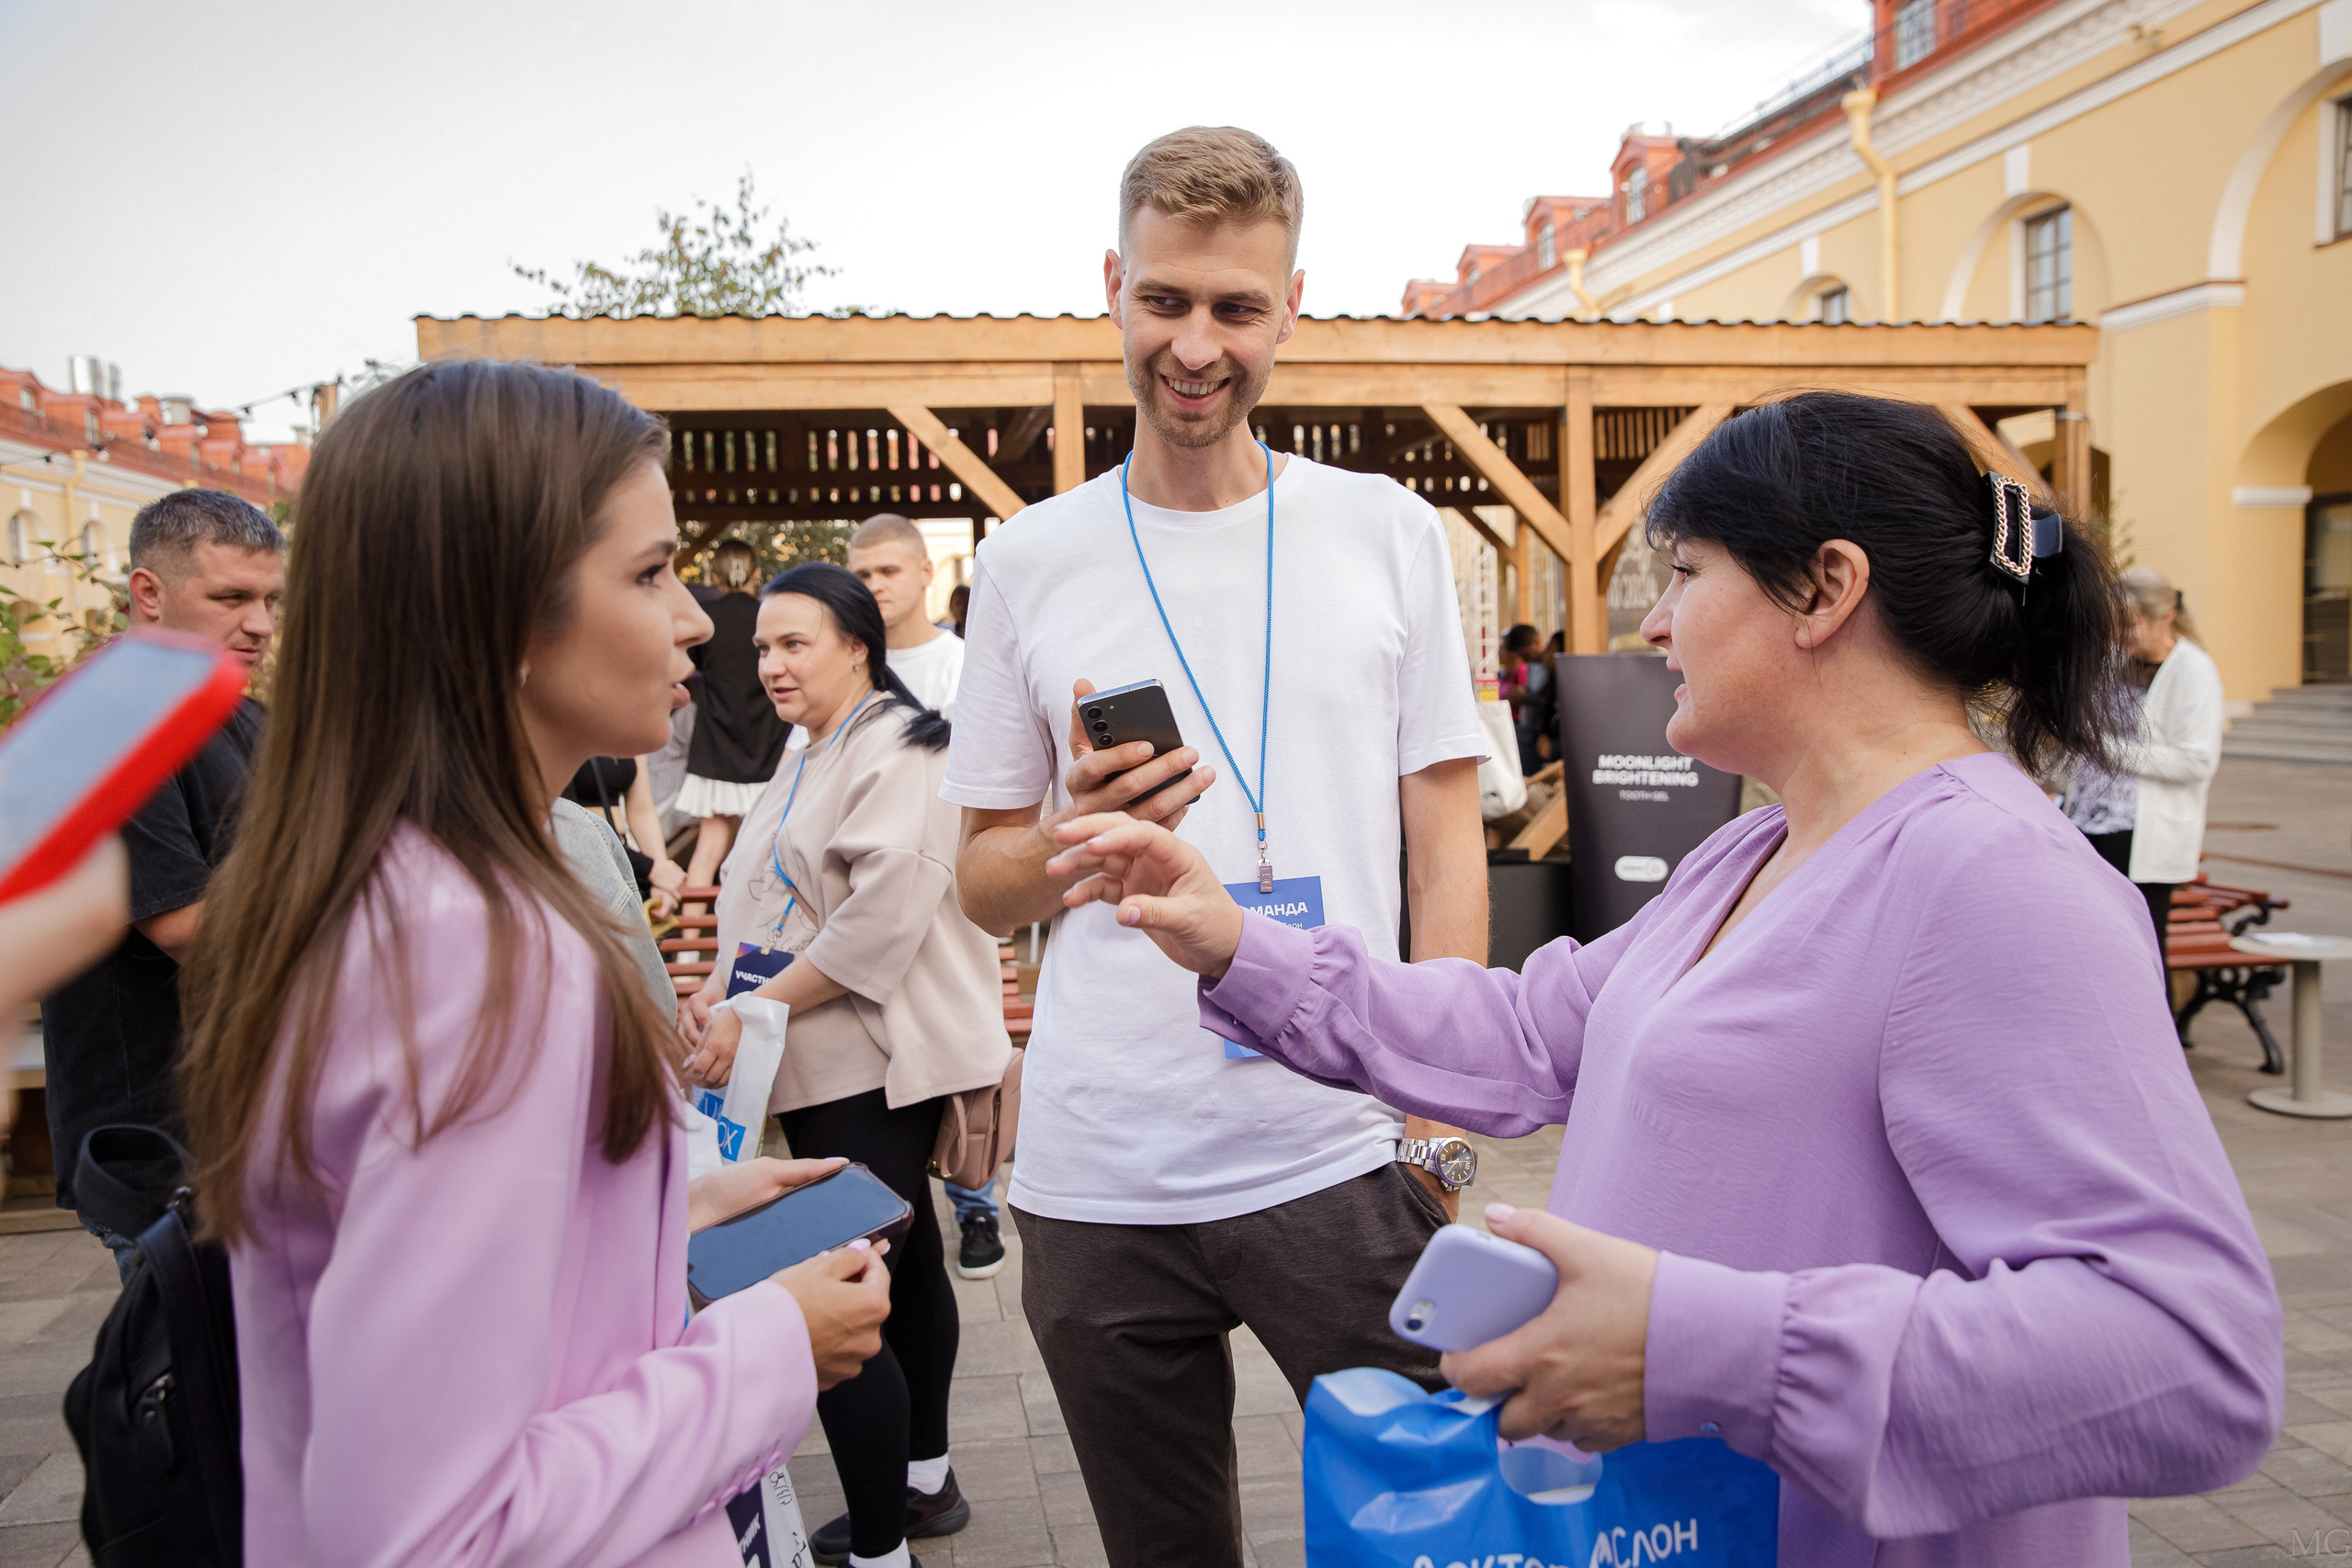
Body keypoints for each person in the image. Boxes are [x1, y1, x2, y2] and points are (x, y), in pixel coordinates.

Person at [1043, 392, 2283, 1568]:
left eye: (1685, 572)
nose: (1650, 621)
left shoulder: (1995, 878)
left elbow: (2188, 1350)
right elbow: (1532, 1029)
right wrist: (1233, 941)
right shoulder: (1756, 844)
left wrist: (1707, 1346)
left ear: (1825, 589)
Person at [177, 360, 894, 1566]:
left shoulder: (404, 893)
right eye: (650, 571)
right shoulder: (477, 952)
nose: (696, 620)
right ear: (499, 609)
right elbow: (431, 1528)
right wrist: (773, 1343)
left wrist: (656, 1206)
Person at [944, 126, 1490, 1568]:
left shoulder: (1385, 532)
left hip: (1340, 1145)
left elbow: (1443, 835)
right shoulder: (1030, 557)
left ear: (1290, 306)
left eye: (1236, 309)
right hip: (1101, 1174)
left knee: (1435, 1535)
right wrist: (1069, 825)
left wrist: (1442, 1110)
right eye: (1168, 301)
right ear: (1113, 286)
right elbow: (981, 876)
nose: (1197, 345)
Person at [680, 562, 1011, 1568]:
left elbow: (882, 916)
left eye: (795, 643)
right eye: (763, 648)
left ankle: (879, 1547)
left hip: (873, 1066)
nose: (772, 664)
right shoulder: (807, 751)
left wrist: (752, 1007)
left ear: (857, 646)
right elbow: (770, 897)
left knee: (836, 1292)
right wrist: (724, 995)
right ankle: (921, 1483)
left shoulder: (901, 746)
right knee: (894, 1283)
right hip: (815, 1062)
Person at [41, 488, 282, 1277]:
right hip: (159, 1142)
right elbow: (188, 929)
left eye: (271, 599)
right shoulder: (116, 717)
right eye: (231, 598)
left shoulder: (239, 716)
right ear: (149, 592)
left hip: (243, 1127)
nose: (261, 624)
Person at [842, 513, 1002, 1275]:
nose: (874, 587)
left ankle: (978, 1206)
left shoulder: (962, 663)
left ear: (921, 574)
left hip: (949, 895)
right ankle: (897, 1217)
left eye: (888, 572)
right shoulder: (846, 667)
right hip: (872, 893)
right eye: (862, 574)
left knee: (958, 1052)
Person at [2109, 567, 2225, 947]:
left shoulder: (2194, 671)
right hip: (2089, 827)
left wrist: (2107, 750)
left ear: (2166, 617)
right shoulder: (2112, 661)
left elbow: (2196, 762)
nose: (2119, 635)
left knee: (2145, 953)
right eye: (2114, 625)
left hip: (2145, 838)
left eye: (2129, 625)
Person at [680, 537, 791, 895]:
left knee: (707, 850)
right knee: (770, 860)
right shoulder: (771, 619)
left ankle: (687, 952)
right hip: (771, 750)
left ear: (715, 576)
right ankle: (757, 949)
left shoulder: (705, 621)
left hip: (717, 749)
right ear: (756, 575)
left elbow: (683, 669)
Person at [563, 752, 688, 919]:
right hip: (584, 863)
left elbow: (642, 810)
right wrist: (650, 868)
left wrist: (662, 877)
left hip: (627, 857)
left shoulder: (629, 729)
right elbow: (567, 821)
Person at [1499, 621, 1555, 773]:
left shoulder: (1551, 666)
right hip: (1531, 729)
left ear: (1536, 642)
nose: (1525, 660)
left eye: (1525, 654)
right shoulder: (1533, 665)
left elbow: (1551, 701)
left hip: (1543, 734)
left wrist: (1526, 697)